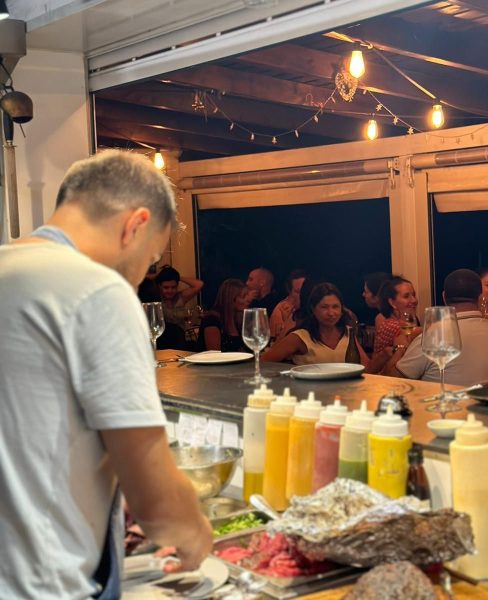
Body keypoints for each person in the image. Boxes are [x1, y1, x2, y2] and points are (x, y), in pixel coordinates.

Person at [0, 151, 212, 598]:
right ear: (135, 225)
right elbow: (157, 504)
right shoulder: (98, 290)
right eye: (149, 260)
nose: (140, 279)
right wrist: (194, 531)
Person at [384, 269, 488, 385]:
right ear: (480, 298)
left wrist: (399, 348)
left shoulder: (432, 337)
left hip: (445, 397)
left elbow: (391, 382)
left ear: (444, 297)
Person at [262, 282, 369, 365]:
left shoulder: (347, 332)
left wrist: (380, 357)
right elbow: (263, 362)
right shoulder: (300, 337)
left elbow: (367, 368)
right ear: (313, 309)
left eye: (335, 307)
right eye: (324, 307)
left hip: (347, 387)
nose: (331, 313)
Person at [373, 276, 421, 354]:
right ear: (392, 303)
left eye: (414, 295)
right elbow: (419, 332)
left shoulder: (410, 321)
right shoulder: (388, 325)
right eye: (406, 296)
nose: (414, 300)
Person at [200, 278, 250, 352]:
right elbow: (214, 355)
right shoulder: (211, 320)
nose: (248, 299)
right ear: (231, 299)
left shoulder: (239, 318)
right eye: (243, 297)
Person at [270, 269, 306, 340]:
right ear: (290, 292)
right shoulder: (281, 310)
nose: (303, 295)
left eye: (305, 291)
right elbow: (276, 342)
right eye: (298, 292)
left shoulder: (315, 307)